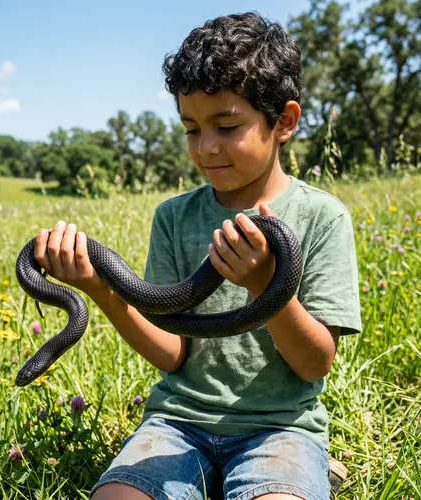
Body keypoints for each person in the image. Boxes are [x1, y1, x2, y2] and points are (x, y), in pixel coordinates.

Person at [34, 11, 362, 500]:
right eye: (191, 129)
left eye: (227, 126)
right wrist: (98, 288)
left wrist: (265, 285)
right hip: (177, 423)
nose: (206, 147)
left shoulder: (322, 217)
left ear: (284, 122)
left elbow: (315, 365)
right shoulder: (173, 217)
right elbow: (174, 351)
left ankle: (309, 467)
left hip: (280, 429)